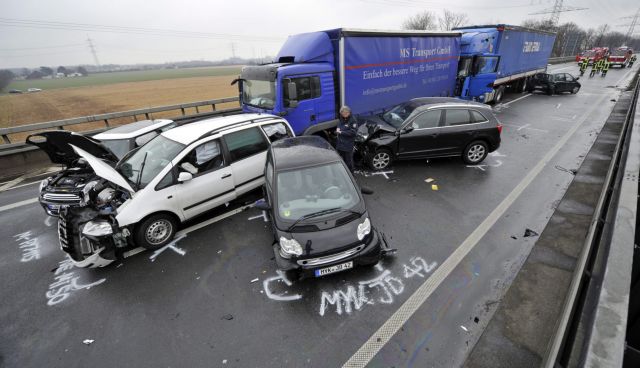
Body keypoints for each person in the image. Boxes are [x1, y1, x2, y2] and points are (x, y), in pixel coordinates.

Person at [336, 105, 358, 172]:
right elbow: (339, 124)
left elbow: (353, 132)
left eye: (345, 113)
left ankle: (351, 173)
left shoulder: (353, 120)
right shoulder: (342, 118)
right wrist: (338, 128)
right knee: (340, 159)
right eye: (342, 113)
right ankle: (343, 172)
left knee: (348, 161)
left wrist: (341, 132)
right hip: (340, 144)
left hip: (348, 145)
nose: (344, 114)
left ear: (349, 112)